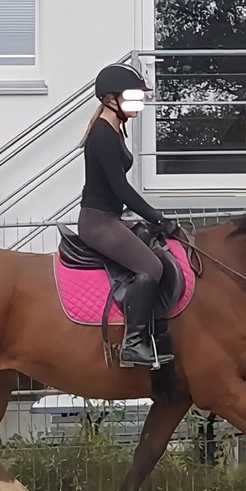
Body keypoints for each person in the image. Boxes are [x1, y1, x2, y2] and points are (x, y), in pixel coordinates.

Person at [79, 63, 181, 368]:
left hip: (109, 217)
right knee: (150, 267)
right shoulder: (102, 135)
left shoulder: (114, 128)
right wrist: (156, 217)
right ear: (111, 99)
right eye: (132, 97)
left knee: (160, 255)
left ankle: (156, 332)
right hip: (98, 222)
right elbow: (121, 189)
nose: (138, 104)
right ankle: (133, 344)